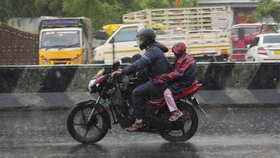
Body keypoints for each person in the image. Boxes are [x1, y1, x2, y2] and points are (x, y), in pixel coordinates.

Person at [111, 28, 172, 132]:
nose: (140, 42)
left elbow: (140, 64)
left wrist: (124, 71)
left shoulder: (153, 51)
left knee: (136, 93)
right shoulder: (153, 49)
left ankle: (139, 122)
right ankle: (139, 110)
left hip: (159, 82)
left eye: (141, 40)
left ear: (147, 40)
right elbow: (140, 62)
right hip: (158, 79)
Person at [153, 42, 197, 121]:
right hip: (184, 79)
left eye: (177, 53)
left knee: (167, 93)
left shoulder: (185, 60)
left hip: (184, 82)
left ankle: (176, 112)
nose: (175, 54)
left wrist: (161, 78)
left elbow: (177, 73)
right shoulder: (183, 57)